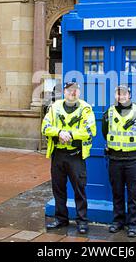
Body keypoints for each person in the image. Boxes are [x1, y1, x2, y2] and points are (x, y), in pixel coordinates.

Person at [42, 81, 96, 234]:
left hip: (75, 156)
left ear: (79, 92)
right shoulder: (54, 107)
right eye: (69, 90)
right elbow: (45, 127)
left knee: (79, 189)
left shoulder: (85, 108)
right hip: (58, 155)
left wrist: (71, 135)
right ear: (64, 92)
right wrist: (59, 133)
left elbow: (90, 130)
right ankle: (61, 219)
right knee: (58, 189)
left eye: (75, 90)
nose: (72, 93)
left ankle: (82, 221)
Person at [102, 85, 136, 237]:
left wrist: (133, 147)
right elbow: (105, 132)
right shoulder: (109, 112)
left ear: (129, 95)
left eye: (124, 93)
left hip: (133, 159)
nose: (121, 96)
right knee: (116, 192)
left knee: (133, 193)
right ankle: (118, 221)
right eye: (118, 94)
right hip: (115, 158)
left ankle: (133, 224)